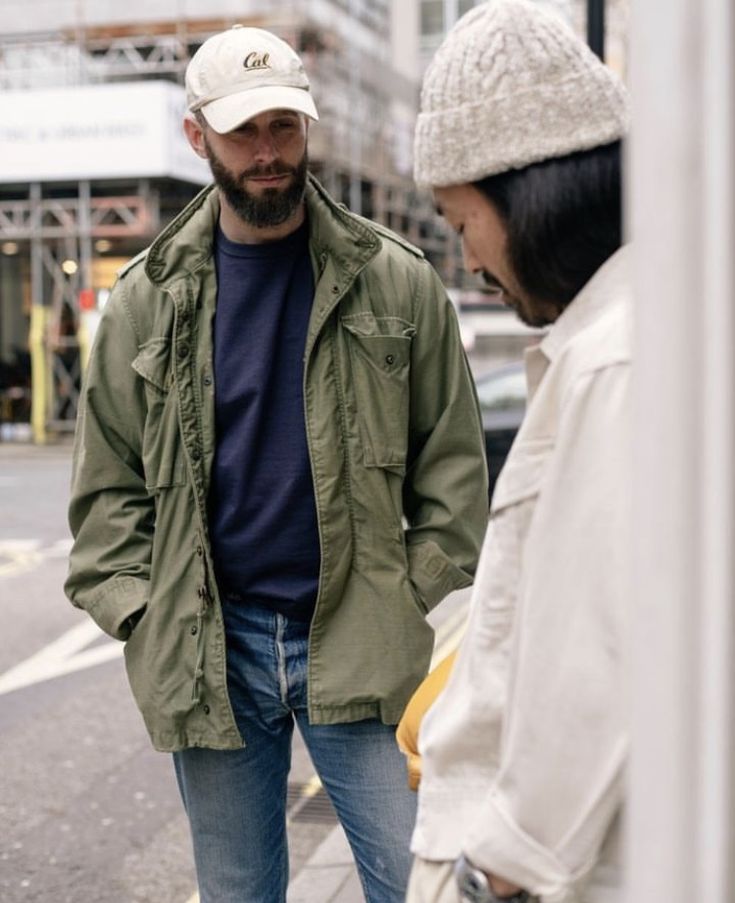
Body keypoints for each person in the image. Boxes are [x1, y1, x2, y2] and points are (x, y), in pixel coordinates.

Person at [64, 23, 488, 903]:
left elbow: (453, 471)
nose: (268, 153)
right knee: (237, 892)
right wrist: (147, 613)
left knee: (424, 882)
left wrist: (401, 589)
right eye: (244, 131)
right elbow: (105, 496)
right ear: (197, 137)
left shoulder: (396, 280)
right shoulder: (146, 301)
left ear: (307, 126)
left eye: (283, 127)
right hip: (210, 646)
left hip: (360, 640)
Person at [404, 2, 631, 902]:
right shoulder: (617, 336)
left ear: (527, 200)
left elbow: (597, 666)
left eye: (460, 223)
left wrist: (486, 875)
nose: (466, 261)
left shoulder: (616, 358)